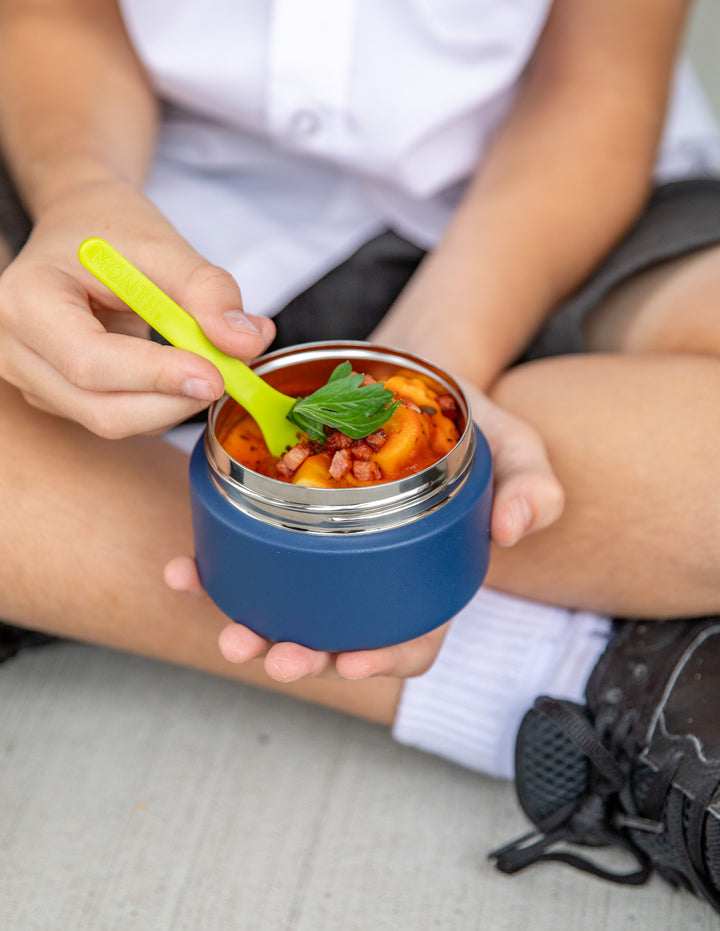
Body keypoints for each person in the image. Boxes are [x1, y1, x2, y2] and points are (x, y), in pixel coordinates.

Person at [0, 0, 720, 911]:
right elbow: (51, 19)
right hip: (154, 195)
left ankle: (71, 529)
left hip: (536, 214)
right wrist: (82, 191)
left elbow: (596, 89)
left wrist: (441, 359)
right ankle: (574, 677)